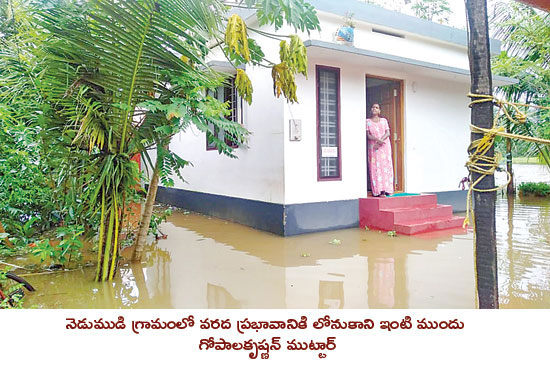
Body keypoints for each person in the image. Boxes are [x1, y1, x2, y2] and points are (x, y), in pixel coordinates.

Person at [366, 103, 394, 197]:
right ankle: (378, 190)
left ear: (379, 111)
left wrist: (381, 140)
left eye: (376, 107)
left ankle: (387, 189)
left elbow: (388, 132)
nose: (374, 109)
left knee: (385, 166)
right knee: (375, 167)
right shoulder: (368, 121)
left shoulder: (384, 120)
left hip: (384, 146)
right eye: (373, 107)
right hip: (374, 147)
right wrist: (377, 140)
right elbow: (368, 135)